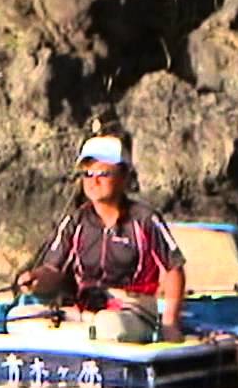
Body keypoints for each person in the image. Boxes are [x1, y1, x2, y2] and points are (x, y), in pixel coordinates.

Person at [16, 135, 187, 343]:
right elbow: (53, 270)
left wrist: (170, 322)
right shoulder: (75, 220)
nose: (93, 181)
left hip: (133, 311)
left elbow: (174, 269)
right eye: (87, 174)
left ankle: (79, 338)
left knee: (109, 326)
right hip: (81, 310)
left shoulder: (146, 219)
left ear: (123, 176)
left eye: (103, 174)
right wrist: (36, 279)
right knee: (18, 318)